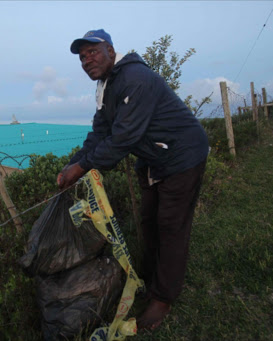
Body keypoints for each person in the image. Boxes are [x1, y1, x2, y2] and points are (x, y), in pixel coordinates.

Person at [57, 29, 209, 331]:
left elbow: (122, 138)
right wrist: (73, 164)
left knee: (170, 225)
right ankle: (152, 279)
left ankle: (163, 299)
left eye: (93, 52)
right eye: (82, 57)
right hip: (155, 160)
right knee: (149, 220)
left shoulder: (136, 78)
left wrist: (82, 168)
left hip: (182, 155)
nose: (88, 60)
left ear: (111, 50)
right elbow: (100, 133)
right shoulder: (105, 87)